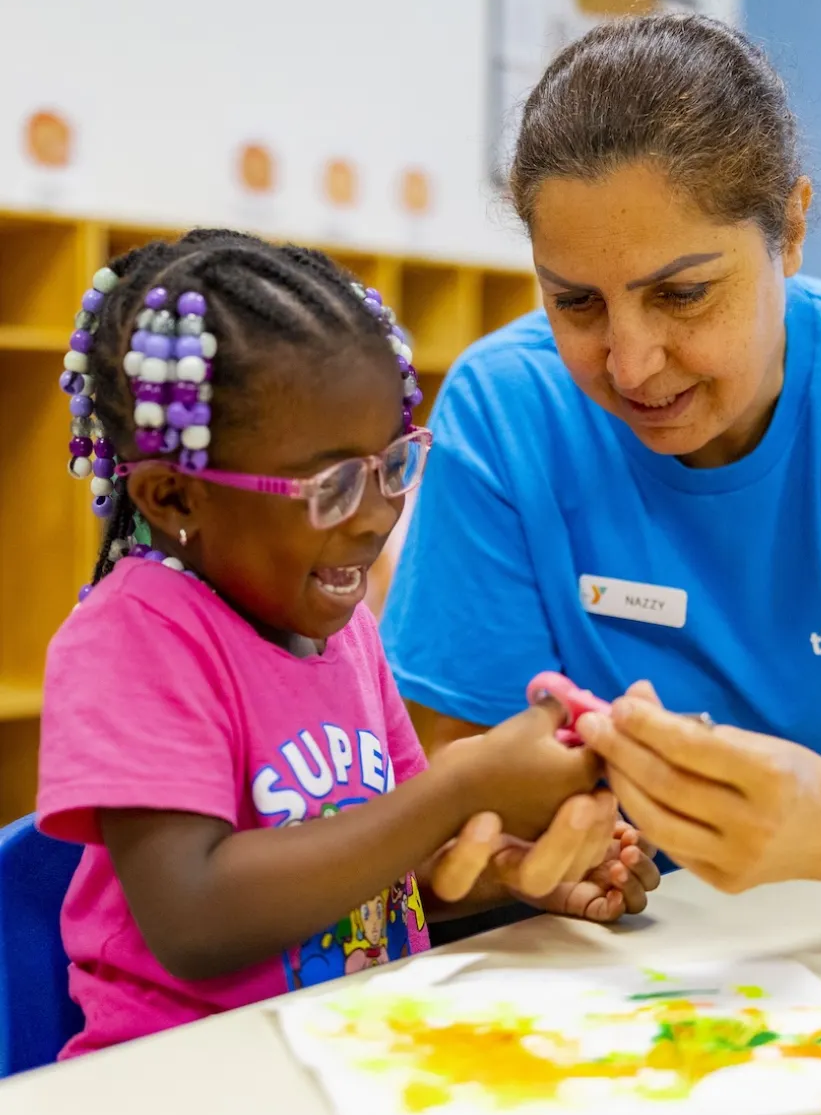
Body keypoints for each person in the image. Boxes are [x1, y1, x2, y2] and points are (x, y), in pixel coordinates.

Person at [383, 12, 821, 903]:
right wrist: (515, 874)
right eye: (577, 303)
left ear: (790, 229)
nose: (630, 364)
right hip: (622, 963)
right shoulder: (506, 409)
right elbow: (435, 803)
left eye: (682, 293)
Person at [37, 230, 659, 1058]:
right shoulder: (135, 636)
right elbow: (194, 918)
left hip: (354, 1054)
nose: (374, 516)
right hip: (186, 1086)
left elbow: (384, 877)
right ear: (174, 493)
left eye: (391, 466)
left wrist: (514, 869)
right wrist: (457, 788)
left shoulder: (344, 631)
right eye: (331, 485)